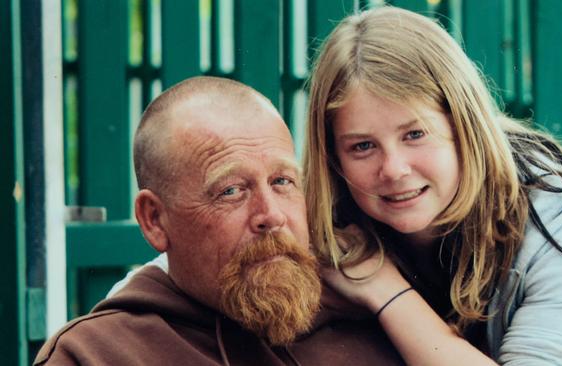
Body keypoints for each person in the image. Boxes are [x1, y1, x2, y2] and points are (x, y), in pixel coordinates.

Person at [302, 6, 562, 366]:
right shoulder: (312, 225)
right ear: (333, 157)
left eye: (415, 134)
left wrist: (384, 289)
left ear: (464, 126)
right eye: (362, 146)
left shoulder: (554, 208)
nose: (394, 169)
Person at [34, 76, 404, 365]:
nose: (271, 215)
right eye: (230, 191)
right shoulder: (98, 355)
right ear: (154, 220)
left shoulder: (379, 320)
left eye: (282, 182)